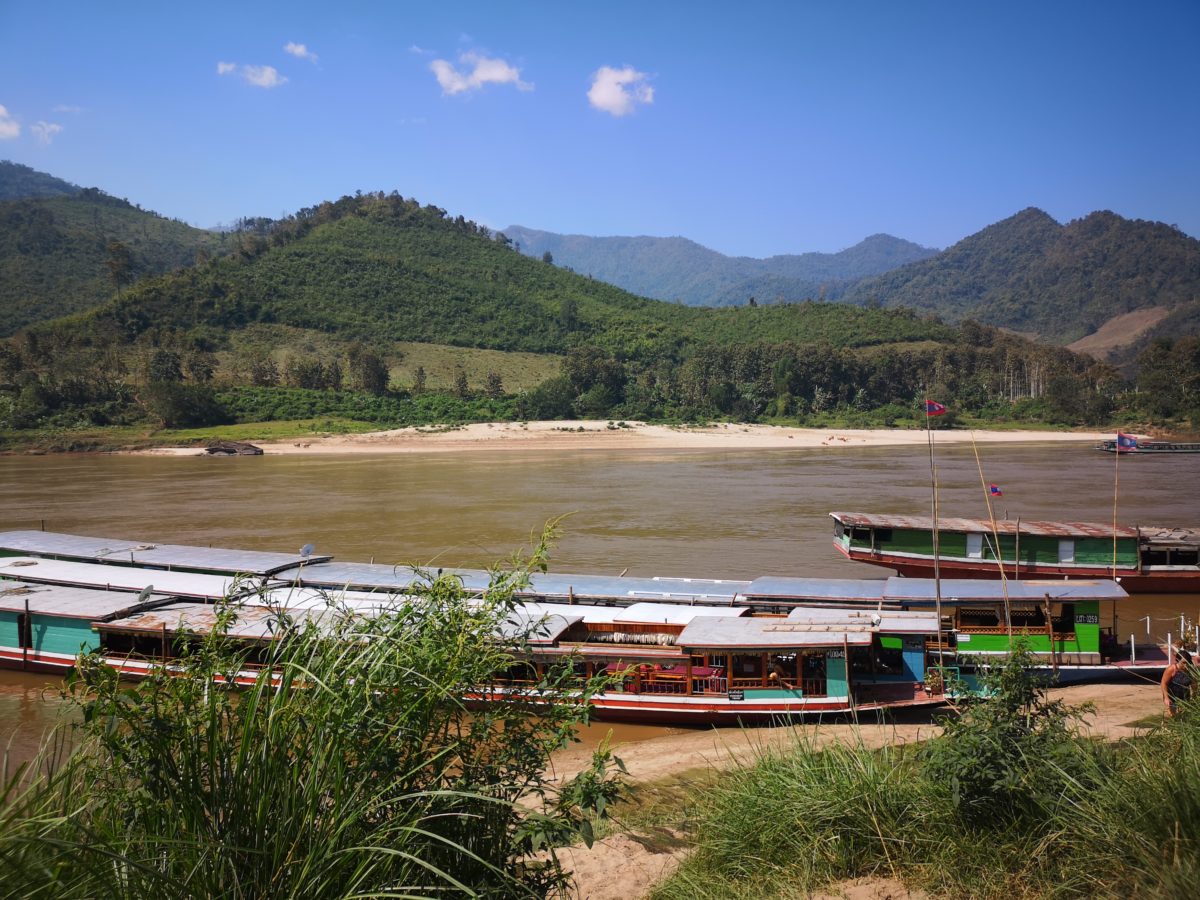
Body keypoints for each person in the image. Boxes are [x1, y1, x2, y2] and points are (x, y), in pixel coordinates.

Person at [1162, 648, 1195, 717]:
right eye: (1183, 663)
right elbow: (1163, 683)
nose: (1186, 665)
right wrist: (1166, 698)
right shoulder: (1172, 669)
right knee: (1172, 717)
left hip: (1185, 697)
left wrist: (1194, 698)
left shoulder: (1191, 670)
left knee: (1184, 717)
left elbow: (1194, 684)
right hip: (1172, 697)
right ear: (1177, 661)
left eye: (1187, 662)